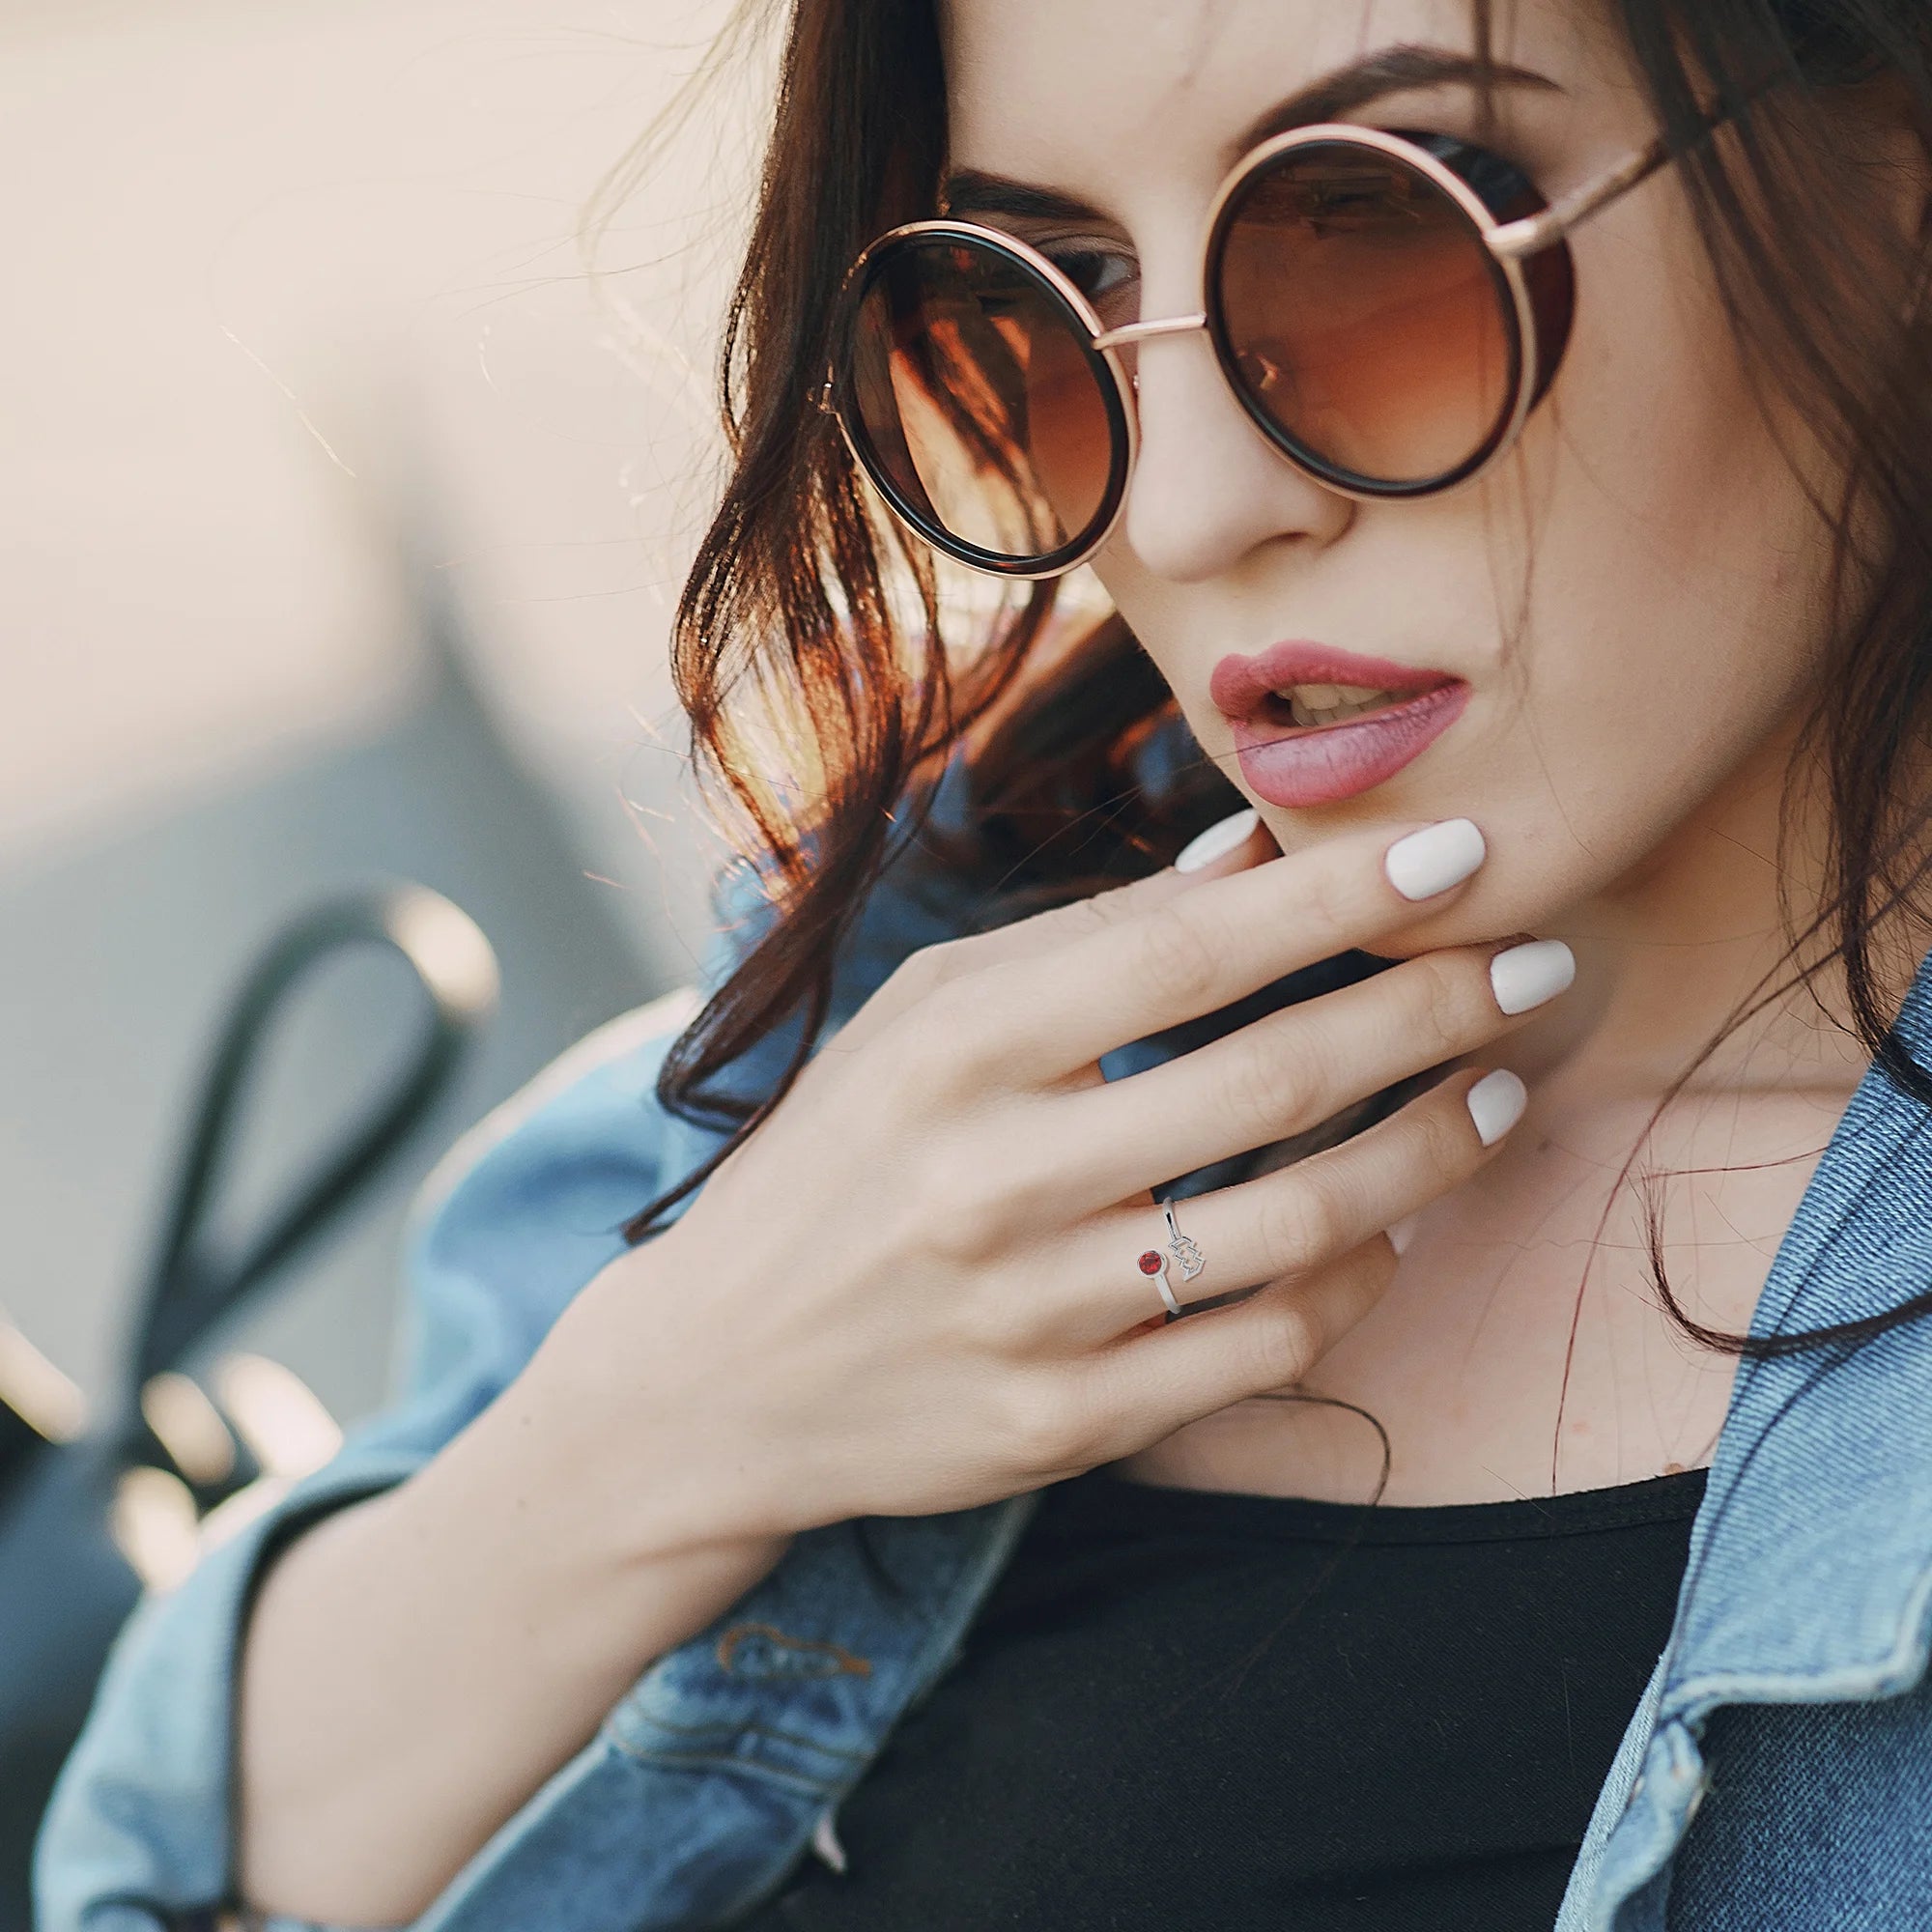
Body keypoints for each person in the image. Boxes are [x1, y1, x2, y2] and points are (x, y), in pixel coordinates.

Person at [34, 0, 1932, 1926]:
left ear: (1892, 176)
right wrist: (666, 1421)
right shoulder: (935, 995)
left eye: (1375, 232)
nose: (1184, 508)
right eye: (1044, 300)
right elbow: (138, 1869)